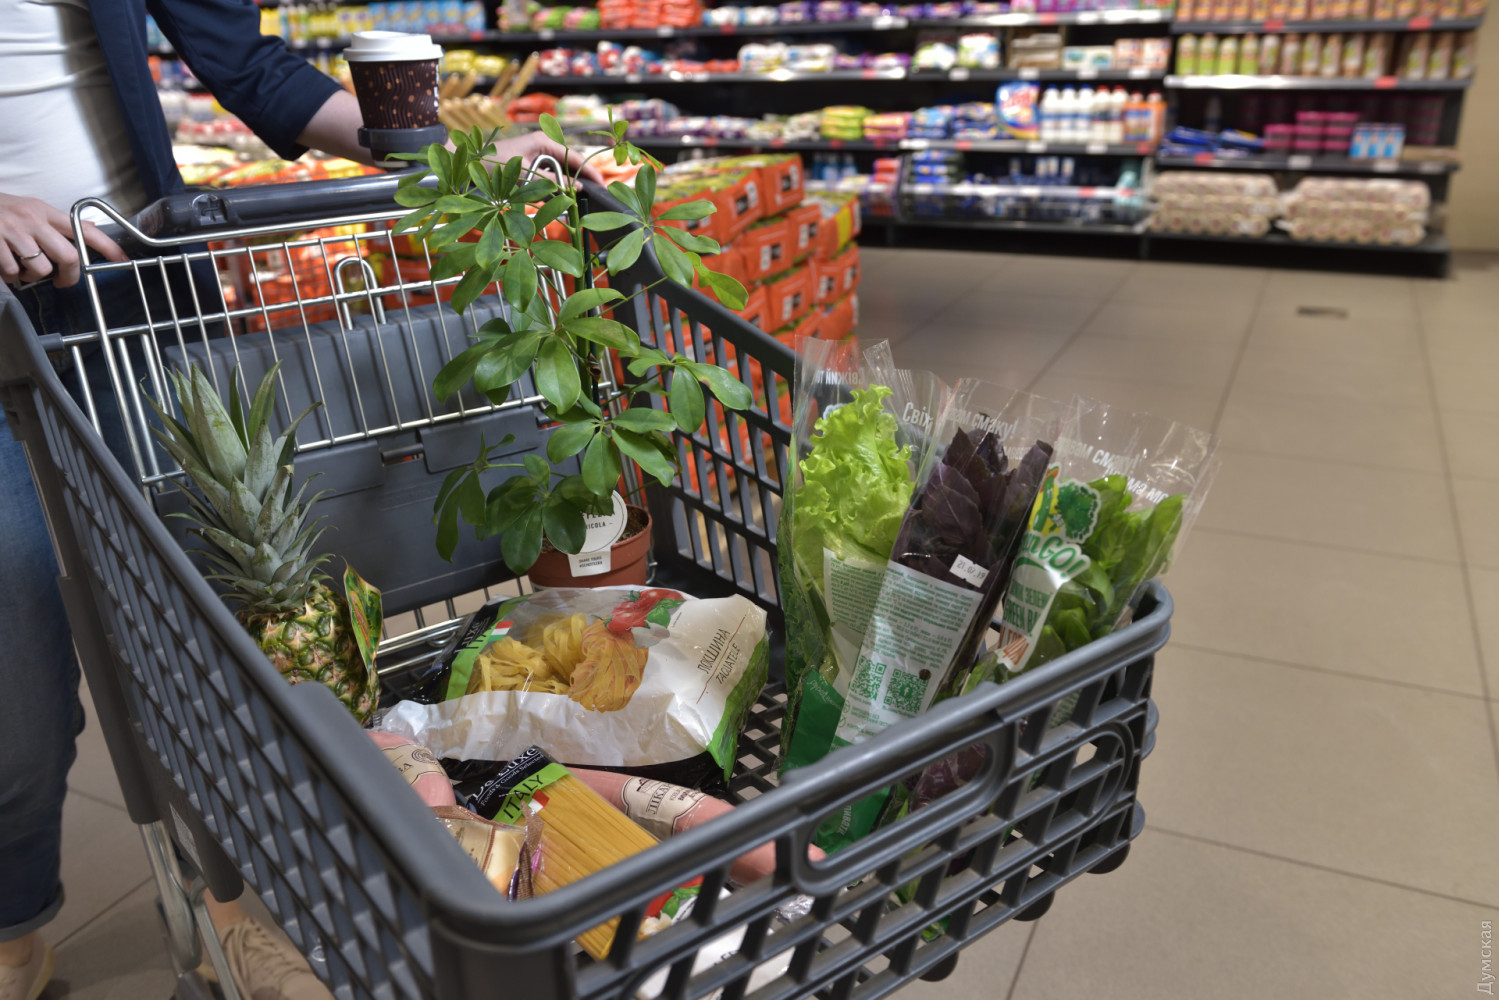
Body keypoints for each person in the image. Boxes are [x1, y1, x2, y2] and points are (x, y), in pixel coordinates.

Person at [0, 4, 595, 1000]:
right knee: (14, 679)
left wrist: (451, 158)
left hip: (131, 288)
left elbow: (248, 62)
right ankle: (15, 926)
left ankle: (233, 912)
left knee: (209, 630)